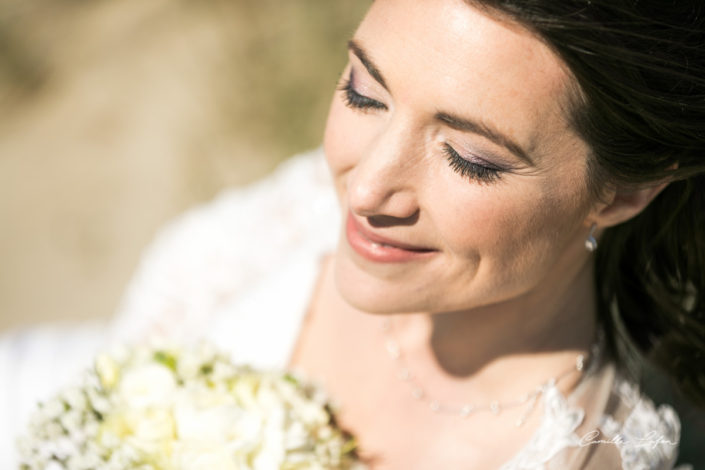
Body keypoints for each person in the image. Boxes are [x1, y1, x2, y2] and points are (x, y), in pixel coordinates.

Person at [1, 0, 703, 468]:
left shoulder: (568, 456)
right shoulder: (303, 203)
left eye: (469, 159)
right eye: (365, 92)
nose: (363, 189)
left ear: (626, 190)